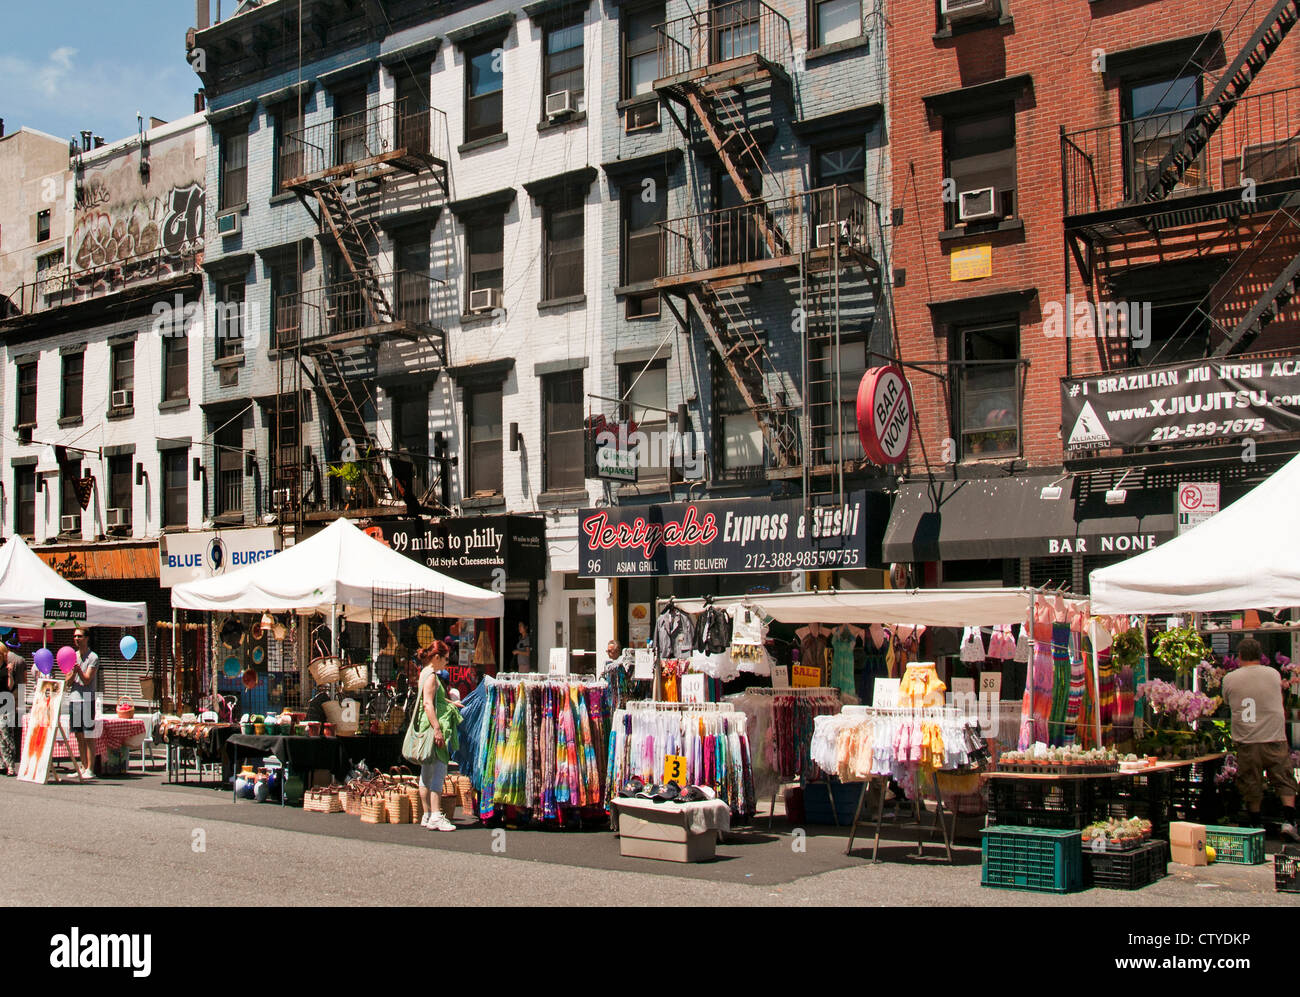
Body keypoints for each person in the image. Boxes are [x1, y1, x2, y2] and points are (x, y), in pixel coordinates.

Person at [1222, 637, 1299, 840]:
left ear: (1239, 657)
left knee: (1250, 782)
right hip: (1274, 736)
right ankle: (1289, 821)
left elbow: (1227, 702)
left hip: (1247, 740)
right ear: (1259, 656)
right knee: (1284, 778)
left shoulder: (1230, 678)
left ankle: (1255, 824)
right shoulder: (1273, 674)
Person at [415, 641, 461, 832]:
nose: (446, 663)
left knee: (426, 772)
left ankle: (427, 814)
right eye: (445, 659)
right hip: (434, 727)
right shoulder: (432, 676)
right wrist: (437, 729)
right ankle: (435, 815)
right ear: (437, 657)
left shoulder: (424, 673)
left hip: (425, 727)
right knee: (439, 772)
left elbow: (433, 699)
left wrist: (451, 703)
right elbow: (428, 704)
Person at [70, 629, 99, 780]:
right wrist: (72, 673)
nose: (76, 638)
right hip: (74, 699)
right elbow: (68, 681)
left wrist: (78, 671)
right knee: (78, 735)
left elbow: (87, 679)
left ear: (87, 638)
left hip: (87, 699)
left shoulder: (93, 657)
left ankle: (90, 768)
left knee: (88, 735)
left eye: (79, 636)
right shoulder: (73, 656)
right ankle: (82, 766)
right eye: (75, 636)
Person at [1, 648, 26, 776]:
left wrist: (10, 674)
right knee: (0, 737)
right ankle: (2, 764)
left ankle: (11, 765)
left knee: (6, 734)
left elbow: (10, 686)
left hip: (6, 703)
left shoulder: (8, 668)